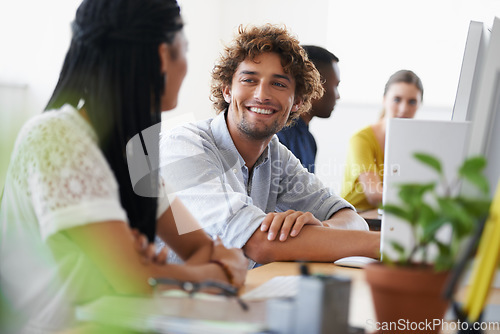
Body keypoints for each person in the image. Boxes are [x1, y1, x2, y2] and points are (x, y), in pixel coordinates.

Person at [0, 0, 248, 332]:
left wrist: (158, 276)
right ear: (163, 55)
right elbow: (137, 281)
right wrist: (212, 274)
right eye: (185, 49)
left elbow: (197, 247)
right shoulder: (56, 137)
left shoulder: (136, 150)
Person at [159, 24, 380, 269]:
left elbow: (352, 219)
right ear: (227, 91)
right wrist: (389, 247)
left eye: (278, 84)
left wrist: (324, 229)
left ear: (297, 101)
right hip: (167, 301)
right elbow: (258, 243)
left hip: (234, 294)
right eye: (249, 80)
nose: (262, 94)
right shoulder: (183, 145)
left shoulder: (275, 155)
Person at [341, 70, 424, 211]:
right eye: (397, 100)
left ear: (419, 105)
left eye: (412, 102)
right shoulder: (361, 139)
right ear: (384, 100)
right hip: (354, 216)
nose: (404, 109)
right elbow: (373, 194)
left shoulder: (417, 143)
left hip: (389, 216)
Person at [277, 45, 340, 173]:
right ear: (314, 85)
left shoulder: (309, 140)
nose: (338, 96)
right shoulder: (278, 136)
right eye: (336, 86)